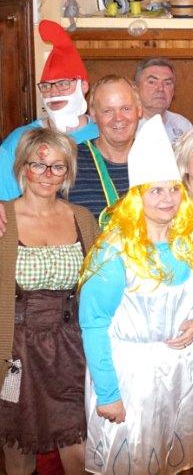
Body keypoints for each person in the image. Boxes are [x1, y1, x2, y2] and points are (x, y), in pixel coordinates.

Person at [79, 115, 193, 473]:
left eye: (173, 189)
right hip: (131, 376)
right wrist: (108, 394)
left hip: (180, 373)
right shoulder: (114, 250)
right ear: (137, 198)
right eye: (156, 190)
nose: (168, 198)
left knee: (174, 464)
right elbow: (94, 324)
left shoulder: (188, 242)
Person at [0, 129, 98, 474]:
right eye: (38, 165)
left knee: (79, 449)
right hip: (15, 350)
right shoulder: (3, 218)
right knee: (18, 447)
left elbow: (100, 284)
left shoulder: (82, 217)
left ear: (68, 171)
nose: (47, 175)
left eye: (58, 167)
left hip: (72, 348)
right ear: (22, 167)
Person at [0, 20, 98, 200]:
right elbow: (4, 205)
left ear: (84, 86)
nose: (53, 92)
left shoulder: (104, 134)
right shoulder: (18, 140)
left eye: (63, 84)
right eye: (46, 86)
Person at [68, 75, 142, 221]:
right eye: (108, 111)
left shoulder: (160, 159)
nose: (118, 118)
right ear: (93, 114)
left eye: (126, 108)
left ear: (139, 110)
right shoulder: (69, 162)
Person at [135, 58, 193, 143]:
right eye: (152, 82)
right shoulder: (127, 126)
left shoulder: (183, 125)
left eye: (167, 83)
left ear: (173, 91)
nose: (160, 89)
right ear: (136, 88)